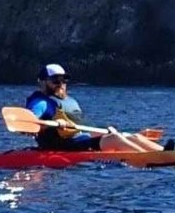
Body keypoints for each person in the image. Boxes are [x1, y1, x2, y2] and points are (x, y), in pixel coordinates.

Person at [25, 63, 160, 153]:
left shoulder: (68, 101)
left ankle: (165, 152)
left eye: (63, 80)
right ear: (42, 82)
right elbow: (30, 122)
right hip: (63, 146)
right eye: (55, 80)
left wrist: (105, 132)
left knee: (129, 136)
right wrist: (52, 125)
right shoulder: (41, 102)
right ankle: (150, 158)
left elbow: (81, 127)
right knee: (114, 139)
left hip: (79, 140)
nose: (61, 84)